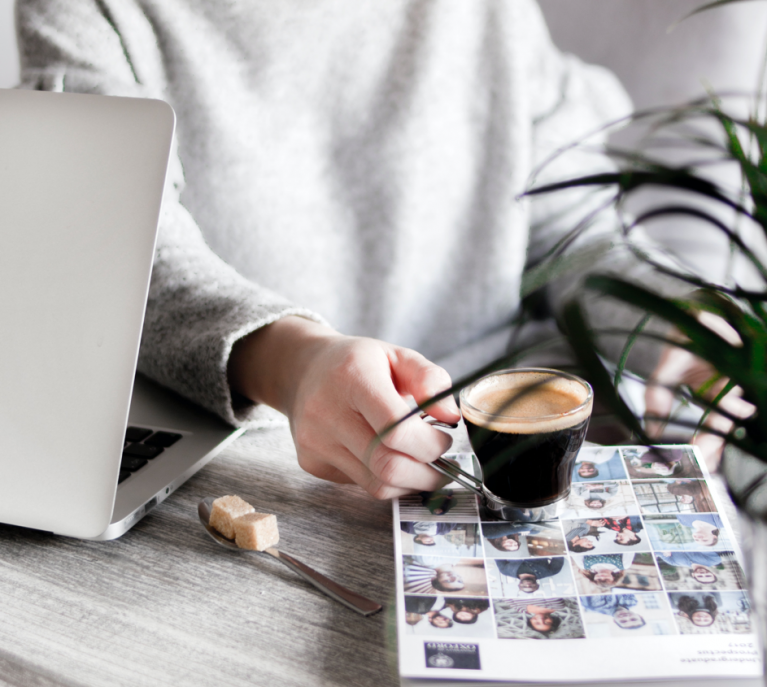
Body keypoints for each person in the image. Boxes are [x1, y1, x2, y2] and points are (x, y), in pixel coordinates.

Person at [16, 0, 728, 500]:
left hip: (513, 449)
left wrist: (679, 327)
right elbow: (120, 253)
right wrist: (292, 365)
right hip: (262, 462)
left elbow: (572, 232)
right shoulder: (92, 11)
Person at [495, 557, 565, 594]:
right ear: (537, 585)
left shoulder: (505, 571)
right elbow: (560, 555)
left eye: (524, 586)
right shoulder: (550, 571)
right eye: (531, 586)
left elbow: (496, 555)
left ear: (519, 585)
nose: (528, 585)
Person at [502, 598, 568, 636]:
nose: (541, 620)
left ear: (531, 621)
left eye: (537, 623)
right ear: (553, 620)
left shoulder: (520, 608)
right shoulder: (558, 606)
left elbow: (505, 595)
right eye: (546, 623)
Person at [580, 594, 646, 630]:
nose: (626, 617)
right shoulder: (633, 602)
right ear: (639, 616)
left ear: (614, 621)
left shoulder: (593, 606)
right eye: (633, 619)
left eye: (623, 621)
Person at [657, 551, 722, 585]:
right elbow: (701, 546)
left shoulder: (674, 563)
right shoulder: (714, 560)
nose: (703, 573)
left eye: (700, 576)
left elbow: (657, 552)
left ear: (693, 575)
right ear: (713, 573)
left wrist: (663, 551)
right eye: (708, 575)